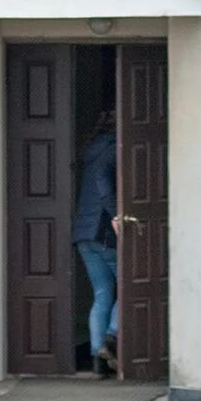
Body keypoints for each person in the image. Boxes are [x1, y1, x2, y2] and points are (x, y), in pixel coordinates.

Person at [72, 110, 119, 378]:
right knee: (128, 289)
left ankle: (96, 359)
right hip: (104, 233)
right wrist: (115, 214)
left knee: (102, 293)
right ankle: (110, 339)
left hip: (83, 233)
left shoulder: (90, 150)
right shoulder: (114, 149)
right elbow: (104, 183)